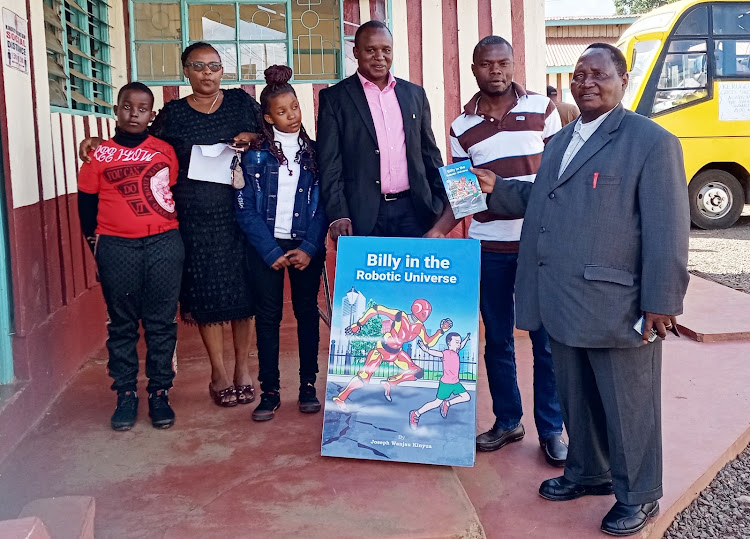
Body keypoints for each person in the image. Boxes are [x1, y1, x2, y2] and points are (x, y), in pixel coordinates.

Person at [473, 43, 689, 536]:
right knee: (577, 396)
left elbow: (668, 227)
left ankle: (639, 495)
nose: (586, 82)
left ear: (623, 79)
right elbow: (543, 196)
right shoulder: (564, 139)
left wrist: (662, 299)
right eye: (579, 74)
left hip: (617, 302)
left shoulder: (650, 141)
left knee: (628, 403)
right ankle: (588, 472)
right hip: (561, 296)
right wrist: (495, 190)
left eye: (599, 74)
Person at [80, 42, 260, 408]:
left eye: (214, 66)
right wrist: (99, 143)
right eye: (198, 66)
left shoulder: (242, 103)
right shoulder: (173, 115)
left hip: (241, 212)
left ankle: (244, 370)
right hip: (194, 219)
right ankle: (219, 374)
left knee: (245, 294)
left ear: (223, 71)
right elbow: (141, 144)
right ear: (186, 72)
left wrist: (252, 139)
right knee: (207, 294)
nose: (207, 73)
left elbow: (270, 135)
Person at [429, 36, 567, 466]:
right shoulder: (460, 127)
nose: (497, 71)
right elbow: (465, 197)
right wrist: (436, 233)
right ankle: (508, 420)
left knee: (545, 343)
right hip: (488, 249)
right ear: (474, 69)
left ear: (513, 64)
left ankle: (551, 429)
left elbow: (560, 182)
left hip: (538, 247)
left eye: (504, 63)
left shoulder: (543, 112)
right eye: (487, 64)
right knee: (497, 341)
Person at [77, 82, 183, 430]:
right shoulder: (99, 155)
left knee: (161, 322)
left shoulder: (165, 150)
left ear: (151, 115)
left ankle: (159, 392)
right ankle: (125, 393)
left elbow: (172, 190)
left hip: (164, 244)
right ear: (116, 110)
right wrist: (97, 247)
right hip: (116, 247)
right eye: (127, 106)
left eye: (141, 108)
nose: (133, 113)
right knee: (122, 324)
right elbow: (87, 205)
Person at [235, 66, 327, 421]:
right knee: (268, 317)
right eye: (282, 111)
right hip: (265, 248)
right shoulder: (253, 154)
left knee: (306, 313)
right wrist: (270, 250)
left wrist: (309, 247)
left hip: (305, 245)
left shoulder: (316, 154)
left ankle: (307, 386)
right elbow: (243, 206)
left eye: (295, 108)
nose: (291, 116)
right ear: (268, 116)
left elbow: (325, 204)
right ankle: (270, 391)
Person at [317, 20, 446, 240]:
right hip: (362, 215)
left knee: (413, 275)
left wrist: (440, 204)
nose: (380, 57)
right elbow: (330, 163)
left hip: (414, 211)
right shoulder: (335, 99)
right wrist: (338, 214)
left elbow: (430, 154)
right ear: (356, 52)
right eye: (371, 50)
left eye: (386, 50)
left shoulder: (415, 94)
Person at [334, 299, 453, 412]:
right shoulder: (399, 316)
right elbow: (376, 309)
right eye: (425, 312)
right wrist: (359, 324)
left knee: (417, 372)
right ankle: (341, 398)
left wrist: (441, 331)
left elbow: (428, 342)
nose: (426, 314)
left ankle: (390, 383)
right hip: (381, 350)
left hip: (397, 353)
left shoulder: (419, 327)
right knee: (363, 377)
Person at [409, 332, 471, 430]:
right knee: (436, 403)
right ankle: (415, 414)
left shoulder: (456, 352)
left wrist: (466, 338)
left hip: (455, 383)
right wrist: (426, 349)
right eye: (457, 342)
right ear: (449, 343)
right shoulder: (446, 353)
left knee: (466, 397)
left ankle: (447, 403)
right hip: (446, 384)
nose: (459, 344)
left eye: (459, 342)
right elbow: (436, 353)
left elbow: (462, 345)